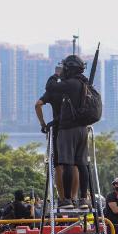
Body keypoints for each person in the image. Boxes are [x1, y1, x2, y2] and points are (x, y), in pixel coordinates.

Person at [45, 55, 91, 209]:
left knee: (68, 163)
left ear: (69, 69)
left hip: (68, 129)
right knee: (82, 163)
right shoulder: (85, 83)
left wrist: (56, 75)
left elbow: (50, 87)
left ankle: (67, 200)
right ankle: (84, 199)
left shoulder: (71, 84)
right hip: (83, 129)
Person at [35, 65, 79, 205]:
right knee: (76, 165)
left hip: (58, 130)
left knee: (59, 165)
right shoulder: (75, 88)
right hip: (76, 130)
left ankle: (62, 199)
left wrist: (43, 124)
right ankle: (74, 196)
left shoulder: (54, 89)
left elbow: (38, 105)